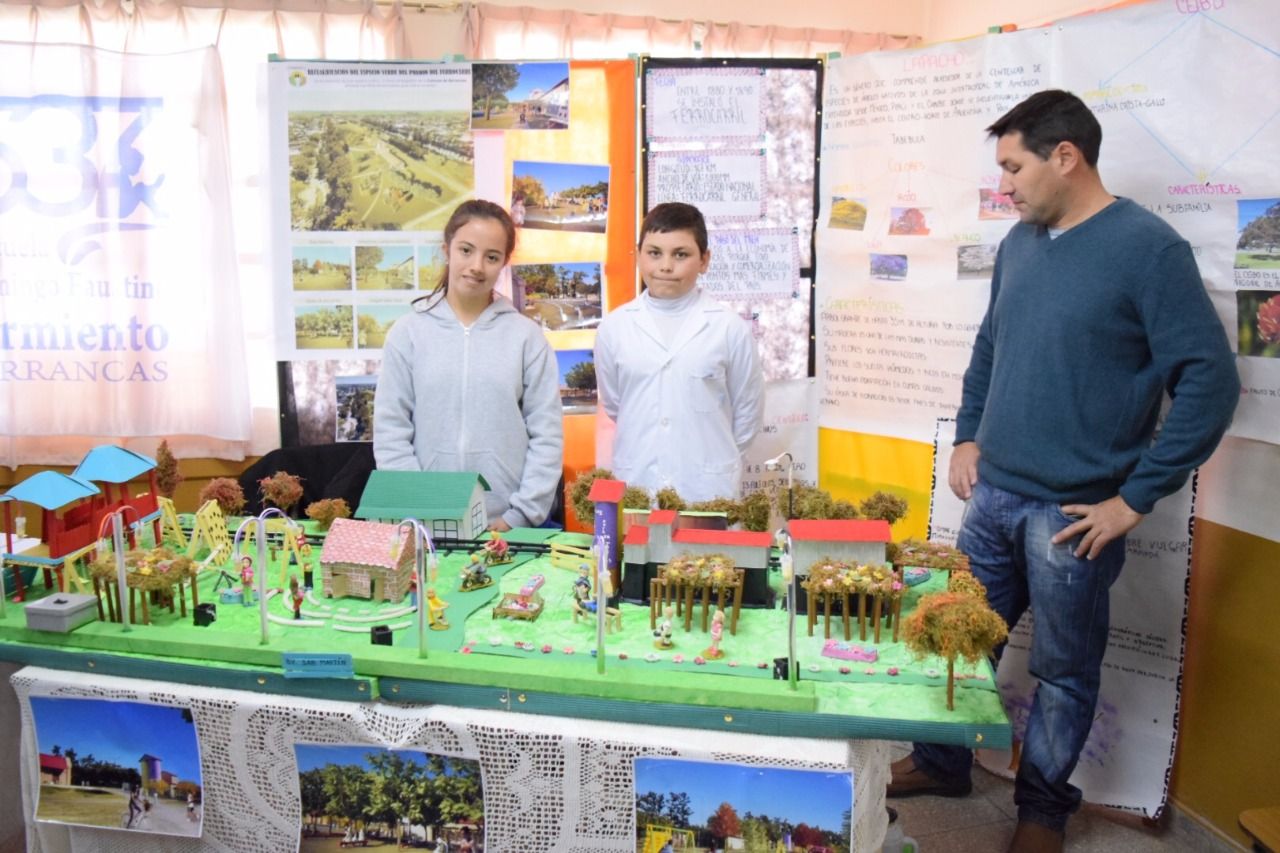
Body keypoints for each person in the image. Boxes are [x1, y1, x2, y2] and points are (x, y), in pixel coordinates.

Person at [886, 90, 1239, 853]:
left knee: (1063, 671)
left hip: (1073, 516)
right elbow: (990, 347)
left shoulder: (1149, 250)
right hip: (993, 494)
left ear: (1066, 157)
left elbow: (1211, 381)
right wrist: (969, 435)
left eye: (1013, 167)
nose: (1005, 184)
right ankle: (943, 762)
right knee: (955, 638)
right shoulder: (1019, 243)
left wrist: (1136, 498)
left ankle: (1043, 811)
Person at [374, 200, 563, 530]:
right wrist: (418, 506)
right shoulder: (408, 333)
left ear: (504, 263)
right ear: (447, 250)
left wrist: (517, 516)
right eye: (466, 250)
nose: (477, 266)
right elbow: (391, 430)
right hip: (426, 523)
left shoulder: (526, 338)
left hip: (506, 526)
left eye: (491, 257)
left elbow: (546, 436)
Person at [595, 202, 763, 502]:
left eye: (681, 254)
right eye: (654, 253)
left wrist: (710, 459)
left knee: (711, 551)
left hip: (707, 489)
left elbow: (747, 415)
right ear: (638, 255)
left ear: (704, 260)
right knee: (638, 547)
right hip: (639, 482)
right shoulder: (614, 327)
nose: (665, 266)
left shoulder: (729, 328)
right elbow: (616, 404)